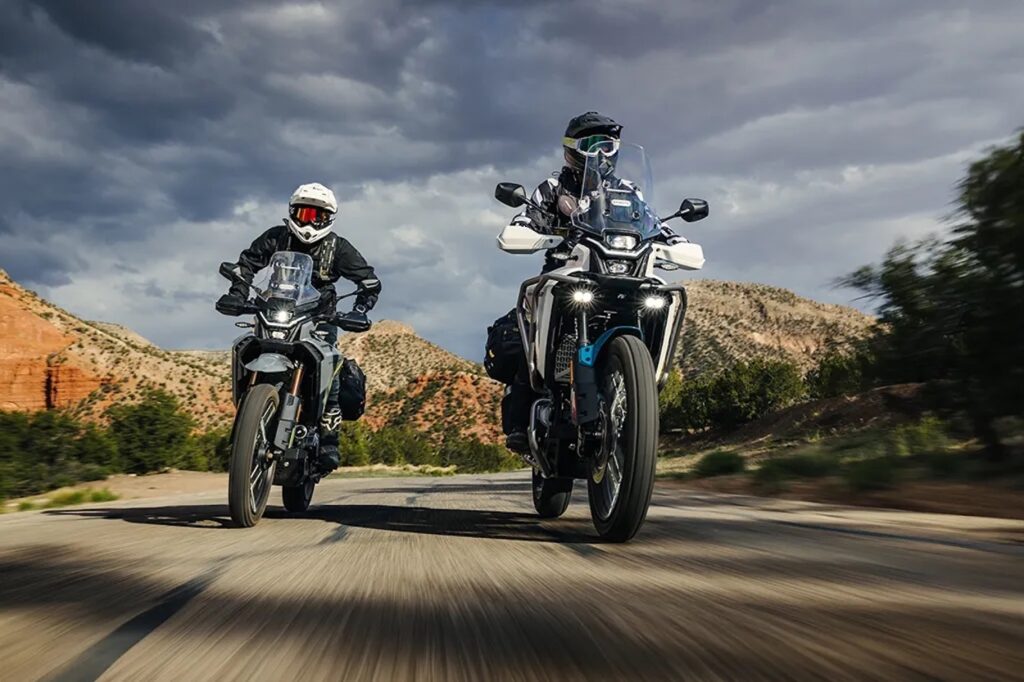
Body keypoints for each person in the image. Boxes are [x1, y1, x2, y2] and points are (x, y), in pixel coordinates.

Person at [494, 111, 683, 453]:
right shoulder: (553, 188)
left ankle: (635, 398)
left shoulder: (628, 192)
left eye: (608, 145)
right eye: (592, 144)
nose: (601, 152)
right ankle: (522, 419)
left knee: (659, 301)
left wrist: (677, 241)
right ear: (572, 149)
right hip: (568, 272)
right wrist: (522, 229)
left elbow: (655, 225)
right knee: (524, 326)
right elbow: (527, 216)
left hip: (624, 275)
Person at [216, 182, 381, 471]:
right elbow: (247, 265)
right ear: (292, 212)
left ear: (328, 218)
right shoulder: (277, 237)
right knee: (246, 346)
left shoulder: (338, 248)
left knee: (333, 367)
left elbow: (368, 282)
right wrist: (237, 294)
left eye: (316, 215)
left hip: (319, 319)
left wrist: (358, 309)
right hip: (275, 311)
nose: (309, 221)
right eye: (303, 213)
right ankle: (249, 422)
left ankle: (329, 441)